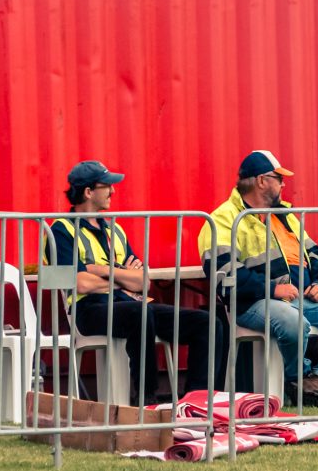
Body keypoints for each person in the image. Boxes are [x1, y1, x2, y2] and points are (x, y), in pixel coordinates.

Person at [198, 150, 318, 406]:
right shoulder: (222, 219)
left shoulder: (285, 216)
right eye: (279, 179)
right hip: (251, 304)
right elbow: (224, 277)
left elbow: (316, 258)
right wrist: (272, 289)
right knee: (294, 322)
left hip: (302, 300)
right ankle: (299, 378)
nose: (284, 185)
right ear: (262, 181)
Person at [46, 160, 222, 405]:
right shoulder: (60, 231)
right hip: (88, 310)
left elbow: (143, 282)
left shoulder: (115, 230)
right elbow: (80, 284)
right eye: (107, 186)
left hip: (130, 304)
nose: (113, 191)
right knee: (140, 313)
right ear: (88, 192)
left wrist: (102, 271)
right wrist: (122, 277)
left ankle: (197, 401)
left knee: (207, 323)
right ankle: (146, 399)